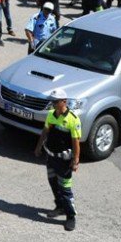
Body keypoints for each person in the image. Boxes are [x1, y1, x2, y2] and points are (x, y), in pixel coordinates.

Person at [34, 88, 81, 231]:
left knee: (65, 189)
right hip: (51, 158)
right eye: (52, 102)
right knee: (53, 183)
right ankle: (60, 207)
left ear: (64, 101)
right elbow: (45, 131)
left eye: (56, 102)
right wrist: (38, 147)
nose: (53, 104)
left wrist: (75, 160)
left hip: (64, 161)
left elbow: (76, 142)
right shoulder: (51, 115)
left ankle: (70, 216)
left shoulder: (73, 119)